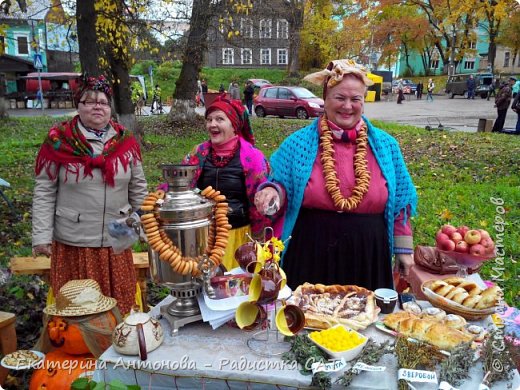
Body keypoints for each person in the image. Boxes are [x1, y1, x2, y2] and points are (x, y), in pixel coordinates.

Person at [254, 59, 417, 291]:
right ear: (325, 99)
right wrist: (272, 191)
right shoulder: (298, 144)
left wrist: (403, 250)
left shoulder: (386, 146)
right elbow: (280, 184)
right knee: (309, 320)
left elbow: (401, 203)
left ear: (363, 101)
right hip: (311, 248)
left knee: (365, 321)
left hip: (368, 252)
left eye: (355, 99)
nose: (347, 106)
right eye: (340, 98)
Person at [31, 75, 148, 315]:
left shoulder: (125, 141)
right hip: (75, 242)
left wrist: (145, 227)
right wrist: (41, 236)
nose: (97, 106)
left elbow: (139, 189)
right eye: (89, 101)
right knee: (78, 308)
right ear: (78, 105)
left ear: (110, 107)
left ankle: (122, 345)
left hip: (117, 238)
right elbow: (44, 190)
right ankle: (82, 349)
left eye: (103, 102)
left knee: (121, 304)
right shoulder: (59, 140)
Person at [181, 96, 271, 271]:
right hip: (203, 238)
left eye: (219, 119)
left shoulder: (252, 158)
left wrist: (259, 244)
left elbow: (259, 205)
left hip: (237, 237)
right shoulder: (198, 152)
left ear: (234, 125)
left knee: (233, 289)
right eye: (209, 120)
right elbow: (180, 186)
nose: (212, 124)